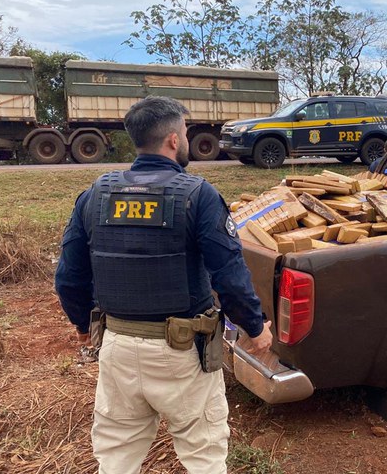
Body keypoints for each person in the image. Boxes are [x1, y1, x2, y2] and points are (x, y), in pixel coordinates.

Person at [55, 95, 272, 474]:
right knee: (204, 456)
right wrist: (255, 328)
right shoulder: (199, 195)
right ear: (174, 139)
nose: (186, 140)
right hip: (183, 353)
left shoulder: (95, 195)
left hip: (117, 349)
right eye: (185, 133)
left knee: (116, 459)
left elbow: (69, 278)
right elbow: (229, 275)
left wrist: (81, 325)